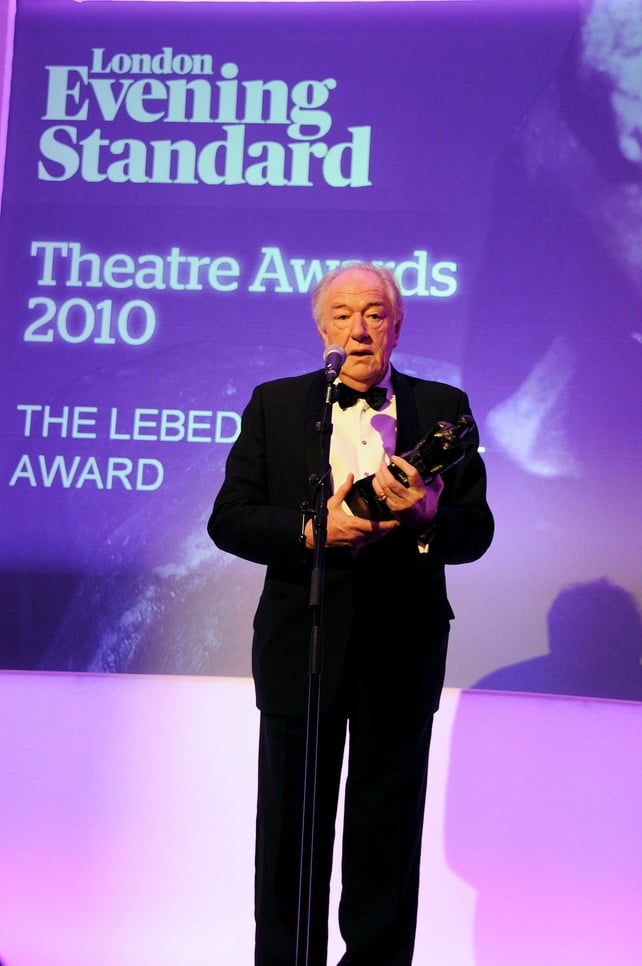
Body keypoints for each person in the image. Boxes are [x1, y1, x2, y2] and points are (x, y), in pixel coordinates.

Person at [207, 263, 494, 966]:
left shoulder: (444, 406)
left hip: (401, 651)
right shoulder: (276, 405)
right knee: (289, 838)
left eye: (374, 313)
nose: (359, 328)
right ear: (321, 327)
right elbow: (230, 521)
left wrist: (427, 518)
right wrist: (315, 532)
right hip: (299, 648)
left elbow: (476, 529)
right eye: (342, 314)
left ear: (398, 326)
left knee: (385, 839)